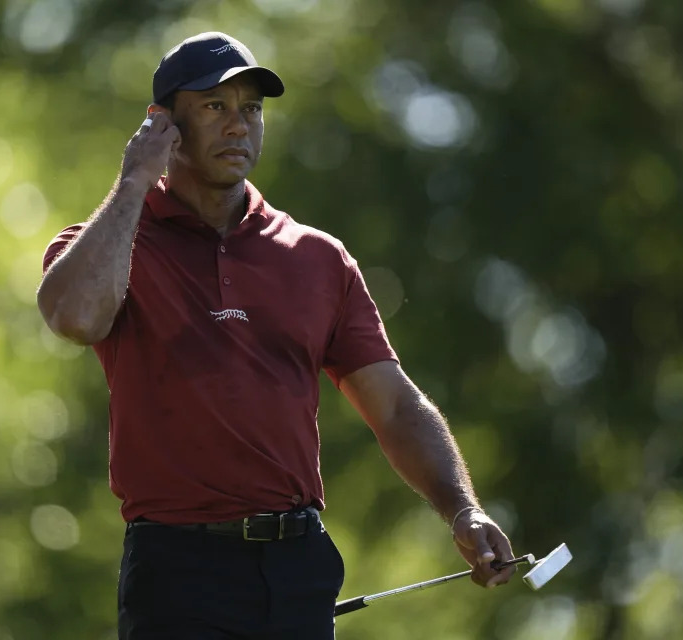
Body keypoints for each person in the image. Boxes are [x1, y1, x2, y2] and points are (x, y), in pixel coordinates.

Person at [37, 31, 516, 640]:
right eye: (215, 107)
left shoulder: (317, 259)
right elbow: (76, 317)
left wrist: (463, 508)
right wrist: (134, 181)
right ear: (162, 122)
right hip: (177, 571)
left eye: (252, 109)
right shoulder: (108, 243)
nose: (238, 126)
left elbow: (394, 406)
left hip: (296, 567)